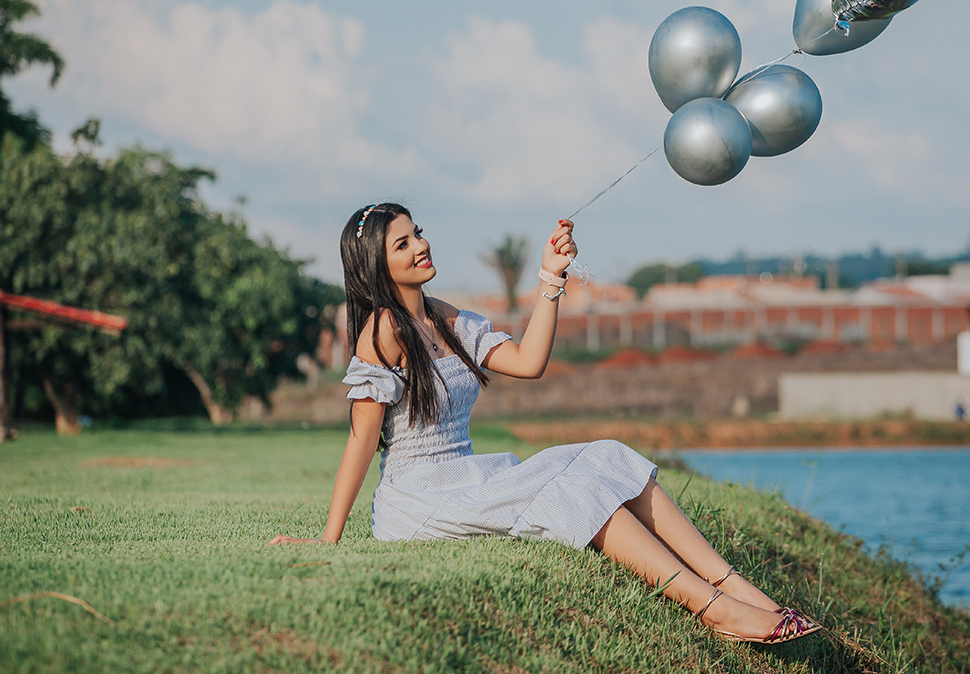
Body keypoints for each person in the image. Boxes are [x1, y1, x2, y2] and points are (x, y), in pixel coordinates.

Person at [268, 203, 820, 644]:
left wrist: (550, 279)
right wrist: (328, 539)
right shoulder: (383, 331)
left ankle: (737, 587)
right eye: (403, 243)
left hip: (469, 474)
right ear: (376, 265)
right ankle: (715, 609)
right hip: (420, 498)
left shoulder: (447, 317)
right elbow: (363, 439)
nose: (422, 245)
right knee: (572, 491)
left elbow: (529, 363)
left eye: (419, 233)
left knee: (606, 454)